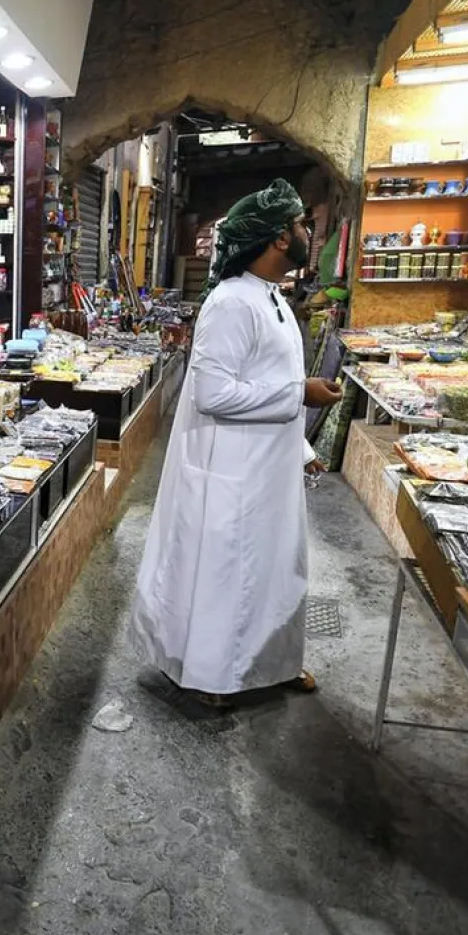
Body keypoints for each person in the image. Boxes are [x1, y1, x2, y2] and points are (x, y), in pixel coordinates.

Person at [129, 179, 342, 707]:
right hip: (233, 466)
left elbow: (270, 376)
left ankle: (271, 662)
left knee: (274, 567)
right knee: (228, 576)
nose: (303, 235)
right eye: (297, 226)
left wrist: (303, 450)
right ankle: (212, 676)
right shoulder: (229, 303)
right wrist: (301, 394)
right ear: (275, 239)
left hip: (268, 467)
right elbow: (213, 393)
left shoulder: (270, 298)